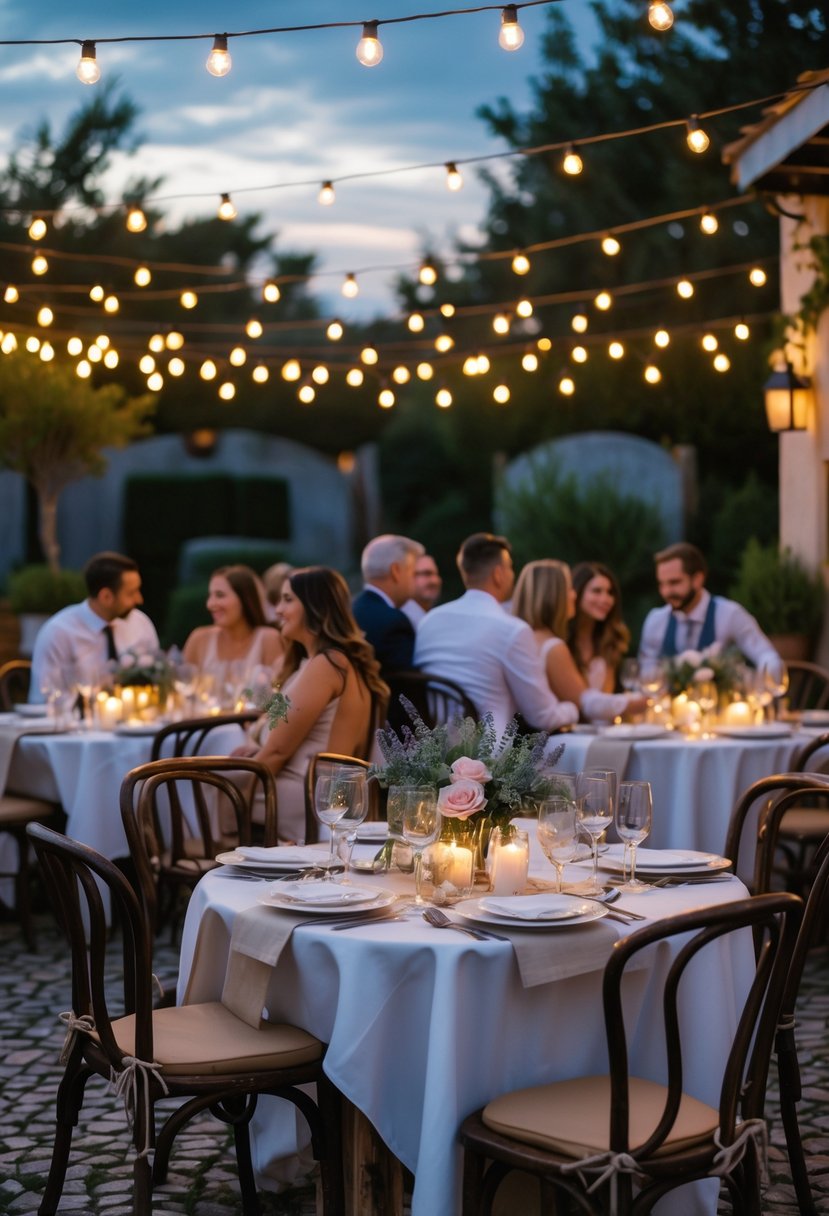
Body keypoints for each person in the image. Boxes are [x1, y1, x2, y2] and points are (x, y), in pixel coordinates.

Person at [232, 566, 388, 843]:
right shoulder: (329, 662)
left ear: (316, 606)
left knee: (201, 783)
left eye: (288, 600)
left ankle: (197, 863)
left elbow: (278, 751)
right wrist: (256, 750)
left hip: (308, 796)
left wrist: (237, 796)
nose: (278, 610)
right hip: (315, 790)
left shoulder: (326, 665)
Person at [414, 532, 578, 736]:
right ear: (498, 574)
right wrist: (572, 710)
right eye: (510, 568)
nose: (512, 575)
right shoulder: (512, 629)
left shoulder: (429, 621)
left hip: (432, 752)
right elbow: (543, 717)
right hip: (490, 758)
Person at [513, 560, 645, 722]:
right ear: (554, 595)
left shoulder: (524, 636)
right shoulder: (554, 645)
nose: (573, 595)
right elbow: (585, 702)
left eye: (610, 593)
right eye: (569, 589)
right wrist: (637, 701)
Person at [639, 541, 785, 678]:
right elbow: (646, 675)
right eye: (661, 584)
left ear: (698, 579)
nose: (666, 592)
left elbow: (766, 656)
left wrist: (761, 685)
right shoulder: (656, 620)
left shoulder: (730, 614)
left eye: (674, 582)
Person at [30, 551, 158, 701]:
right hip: (78, 722)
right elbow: (43, 699)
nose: (139, 599)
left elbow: (158, 681)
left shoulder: (140, 623)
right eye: (131, 593)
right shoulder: (58, 632)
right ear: (106, 597)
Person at [182, 565, 283, 695]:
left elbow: (279, 696)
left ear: (244, 599)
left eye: (220, 595)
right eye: (210, 596)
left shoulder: (268, 639)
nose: (210, 604)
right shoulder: (199, 639)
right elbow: (182, 694)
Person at [352, 534, 423, 676]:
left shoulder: (351, 608)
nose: (415, 582)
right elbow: (405, 690)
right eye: (413, 573)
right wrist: (409, 700)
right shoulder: (394, 622)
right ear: (396, 571)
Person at [567, 561, 632, 693]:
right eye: (596, 591)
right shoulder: (561, 639)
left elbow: (606, 697)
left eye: (609, 593)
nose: (605, 599)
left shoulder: (611, 640)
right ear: (577, 593)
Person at [401, 553, 443, 628]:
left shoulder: (432, 616)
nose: (435, 580)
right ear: (407, 576)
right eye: (426, 573)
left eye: (437, 574)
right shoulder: (401, 620)